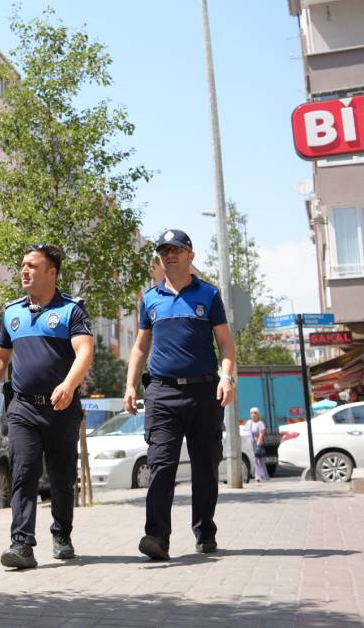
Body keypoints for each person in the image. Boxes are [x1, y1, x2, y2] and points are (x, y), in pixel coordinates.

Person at [123, 229, 237, 561]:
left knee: (205, 466)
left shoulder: (209, 295)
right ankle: (157, 536)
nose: (169, 255)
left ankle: (205, 531)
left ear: (190, 255)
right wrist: (130, 386)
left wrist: (226, 377)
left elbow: (226, 344)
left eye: (176, 250)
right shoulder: (150, 299)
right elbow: (140, 347)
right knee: (160, 465)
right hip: (161, 392)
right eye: (164, 251)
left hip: (204, 391)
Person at [0, 243, 94, 569]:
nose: (24, 271)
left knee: (61, 477)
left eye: (32, 266)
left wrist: (68, 385)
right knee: (23, 472)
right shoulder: (12, 312)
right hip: (23, 409)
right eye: (22, 265)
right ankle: (21, 544)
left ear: (51, 272)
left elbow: (84, 351)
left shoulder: (72, 310)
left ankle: (61, 534)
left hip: (61, 408)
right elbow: (1, 355)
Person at [247, 408, 269, 482]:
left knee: (260, 461)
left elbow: (261, 434)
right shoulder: (249, 423)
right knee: (254, 460)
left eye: (255, 413)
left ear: (258, 414)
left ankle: (262, 476)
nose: (253, 415)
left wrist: (258, 445)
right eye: (252, 413)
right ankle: (257, 476)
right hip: (250, 444)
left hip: (257, 444)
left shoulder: (260, 423)